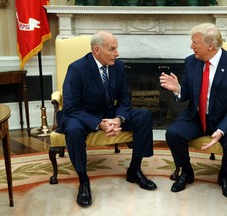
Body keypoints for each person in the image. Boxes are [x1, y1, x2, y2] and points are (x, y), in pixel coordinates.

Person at [56, 30, 157, 207]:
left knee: (144, 116)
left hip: (110, 114)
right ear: (97, 50)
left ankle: (134, 170)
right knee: (73, 129)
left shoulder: (118, 66)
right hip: (81, 115)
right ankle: (84, 181)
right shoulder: (77, 69)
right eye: (112, 49)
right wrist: (98, 124)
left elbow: (125, 98)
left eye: (116, 49)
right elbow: (71, 107)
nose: (116, 54)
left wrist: (119, 119)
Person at [159, 23, 227, 200]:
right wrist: (177, 89)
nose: (191, 46)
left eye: (195, 42)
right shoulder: (191, 61)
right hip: (198, 116)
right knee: (173, 133)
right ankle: (186, 172)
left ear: (210, 45)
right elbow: (187, 91)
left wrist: (221, 130)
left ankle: (225, 175)